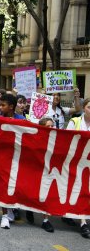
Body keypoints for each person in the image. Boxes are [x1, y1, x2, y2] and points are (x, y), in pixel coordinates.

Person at [0, 94, 25, 229]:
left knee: (15, 185)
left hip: (17, 158)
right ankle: (4, 216)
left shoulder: (22, 119)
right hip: (2, 158)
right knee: (3, 186)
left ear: (11, 107)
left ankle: (12, 209)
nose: (0, 107)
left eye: (3, 105)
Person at [65, 98, 90, 238]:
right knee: (79, 189)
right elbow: (67, 140)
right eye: (89, 107)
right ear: (84, 108)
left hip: (89, 163)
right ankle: (83, 222)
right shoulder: (75, 122)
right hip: (75, 161)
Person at [25, 117, 55, 233]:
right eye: (48, 126)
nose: (51, 128)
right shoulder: (35, 139)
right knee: (33, 193)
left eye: (53, 126)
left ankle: (45, 221)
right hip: (35, 170)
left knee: (47, 195)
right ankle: (29, 208)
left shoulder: (57, 139)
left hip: (48, 171)